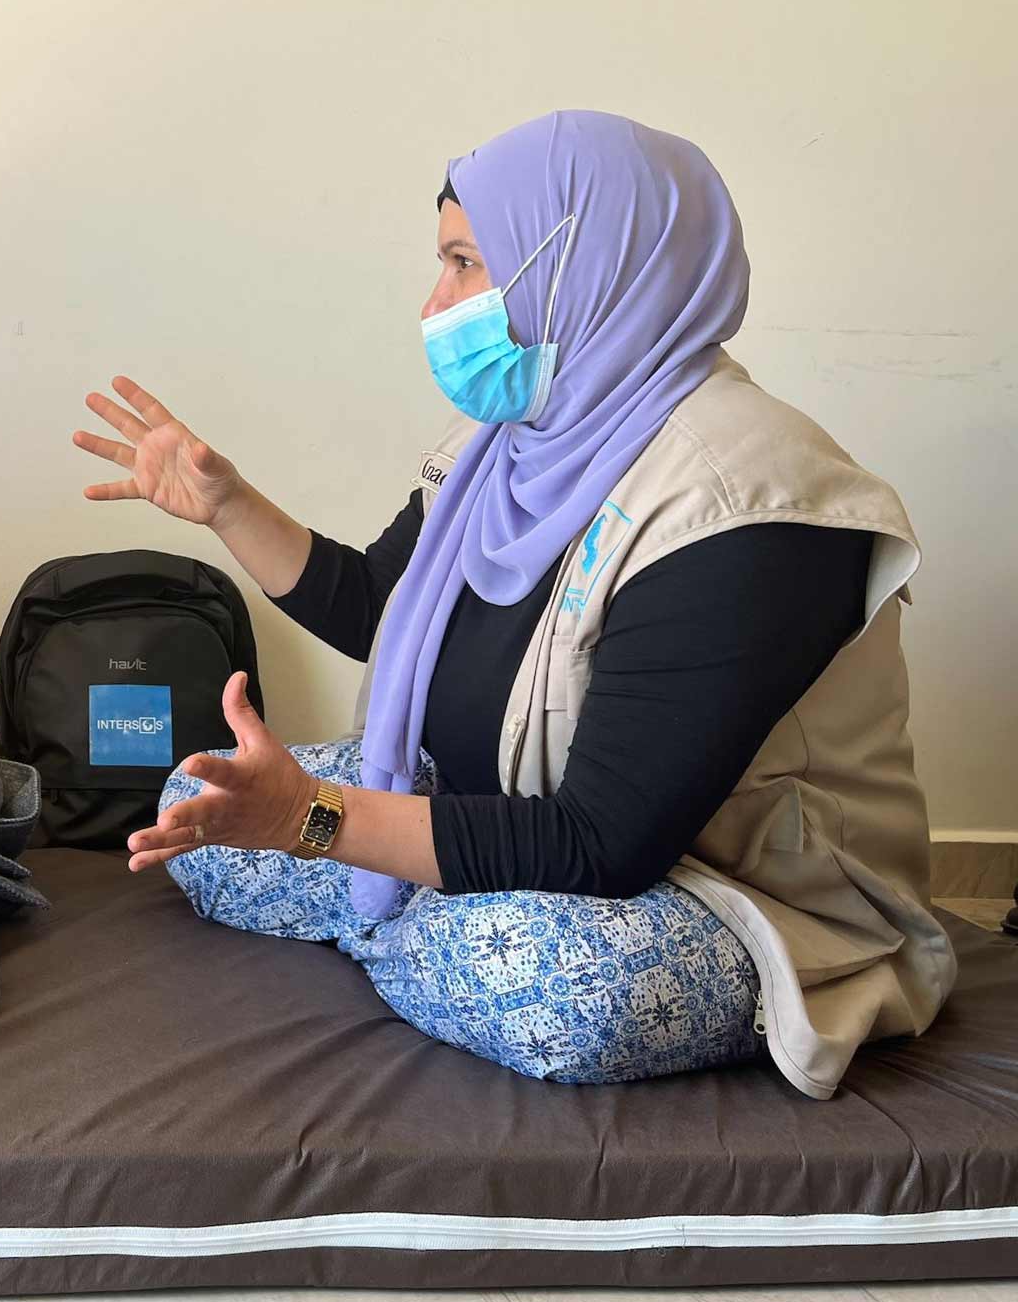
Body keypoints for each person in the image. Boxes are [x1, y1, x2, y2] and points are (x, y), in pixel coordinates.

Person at [72, 110, 953, 1097]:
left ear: (588, 266)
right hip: (495, 807)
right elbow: (377, 608)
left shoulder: (746, 503)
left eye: (464, 264)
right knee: (199, 807)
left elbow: (605, 841)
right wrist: (227, 504)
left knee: (551, 985)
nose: (434, 303)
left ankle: (398, 928)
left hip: (722, 895)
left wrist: (317, 821)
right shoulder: (509, 442)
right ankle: (419, 935)